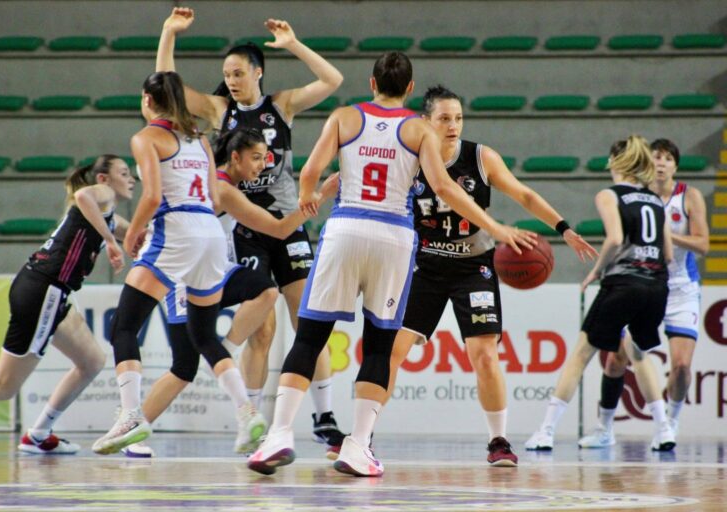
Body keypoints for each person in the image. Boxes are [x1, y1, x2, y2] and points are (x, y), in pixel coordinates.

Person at [247, 52, 533, 477]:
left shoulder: (345, 117)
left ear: (371, 83)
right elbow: (444, 188)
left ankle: (279, 433)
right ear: (411, 89)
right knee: (380, 345)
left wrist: (309, 195)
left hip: (345, 229)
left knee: (309, 337)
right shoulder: (419, 129)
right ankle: (358, 445)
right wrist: (493, 224)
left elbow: (310, 171)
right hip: (394, 237)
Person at [157, 7, 348, 456]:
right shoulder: (218, 109)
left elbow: (333, 81)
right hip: (245, 229)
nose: (233, 79)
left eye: (239, 72)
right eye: (227, 73)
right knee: (262, 331)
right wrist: (169, 33)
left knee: (309, 323)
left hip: (289, 226)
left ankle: (324, 418)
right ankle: (253, 420)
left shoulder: (281, 105)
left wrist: (296, 45)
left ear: (258, 72)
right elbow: (167, 86)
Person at [384, 85, 597, 467]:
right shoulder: (409, 160)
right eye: (444, 119)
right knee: (391, 351)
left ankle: (498, 440)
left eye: (458, 118)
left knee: (483, 355)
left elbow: (524, 195)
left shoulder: (479, 157)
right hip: (424, 266)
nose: (453, 126)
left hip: (474, 266)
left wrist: (562, 227)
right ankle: (363, 437)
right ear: (424, 122)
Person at [122, 127, 337, 457]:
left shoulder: (223, 184)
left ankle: (222, 351)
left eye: (266, 157)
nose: (262, 164)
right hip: (180, 273)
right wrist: (320, 196)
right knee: (183, 366)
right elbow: (279, 229)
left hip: (210, 270)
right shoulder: (222, 188)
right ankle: (136, 426)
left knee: (266, 292)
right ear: (234, 157)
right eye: (255, 157)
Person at [92, 71, 258, 455]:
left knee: (124, 325)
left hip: (177, 229)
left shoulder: (146, 137)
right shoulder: (199, 139)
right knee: (203, 335)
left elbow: (150, 196)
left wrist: (134, 232)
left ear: (147, 101)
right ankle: (247, 411)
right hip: (210, 234)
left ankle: (132, 413)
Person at [0, 155, 134, 454]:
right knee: (1, 387)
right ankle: (37, 435)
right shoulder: (100, 195)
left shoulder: (107, 214)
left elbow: (136, 233)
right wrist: (110, 242)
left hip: (49, 291)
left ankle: (38, 435)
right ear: (103, 179)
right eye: (124, 172)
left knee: (92, 361)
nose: (131, 178)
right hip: (44, 290)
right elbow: (82, 196)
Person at [525, 135, 674, 452]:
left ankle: (546, 432)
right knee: (638, 354)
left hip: (624, 283)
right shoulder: (655, 199)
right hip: (657, 285)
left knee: (580, 353)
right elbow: (669, 254)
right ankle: (663, 430)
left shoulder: (610, 195)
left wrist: (596, 271)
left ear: (613, 162)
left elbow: (616, 238)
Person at [578, 138, 708, 450]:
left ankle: (670, 424)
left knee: (681, 367)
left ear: (676, 165)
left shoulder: (688, 196)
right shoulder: (637, 196)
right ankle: (604, 428)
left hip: (680, 289)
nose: (661, 163)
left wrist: (666, 230)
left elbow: (703, 244)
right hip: (644, 283)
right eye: (656, 158)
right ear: (646, 164)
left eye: (667, 158)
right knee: (615, 362)